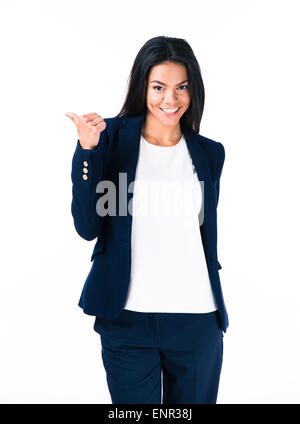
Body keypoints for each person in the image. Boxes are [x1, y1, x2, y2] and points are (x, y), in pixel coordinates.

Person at [65, 35, 228, 404]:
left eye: (181, 87)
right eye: (159, 87)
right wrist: (87, 152)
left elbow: (201, 232)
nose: (170, 100)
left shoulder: (209, 153)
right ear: (143, 87)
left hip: (197, 318)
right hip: (128, 318)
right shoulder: (110, 139)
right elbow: (88, 226)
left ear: (193, 91)